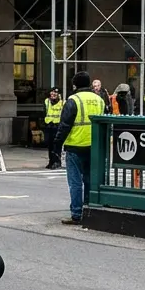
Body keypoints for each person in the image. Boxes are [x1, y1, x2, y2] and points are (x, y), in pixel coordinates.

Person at [53, 71, 104, 225]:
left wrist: (57, 145)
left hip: (75, 146)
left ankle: (76, 213)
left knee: (75, 182)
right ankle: (89, 210)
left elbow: (64, 126)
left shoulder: (73, 100)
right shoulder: (99, 99)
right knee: (90, 180)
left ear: (74, 84)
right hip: (94, 146)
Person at [42, 87, 63, 169]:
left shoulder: (62, 103)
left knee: (56, 145)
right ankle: (51, 161)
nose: (53, 94)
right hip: (49, 125)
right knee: (50, 145)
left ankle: (57, 162)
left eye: (55, 93)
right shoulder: (47, 101)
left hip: (57, 126)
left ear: (59, 95)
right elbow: (44, 113)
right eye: (52, 92)